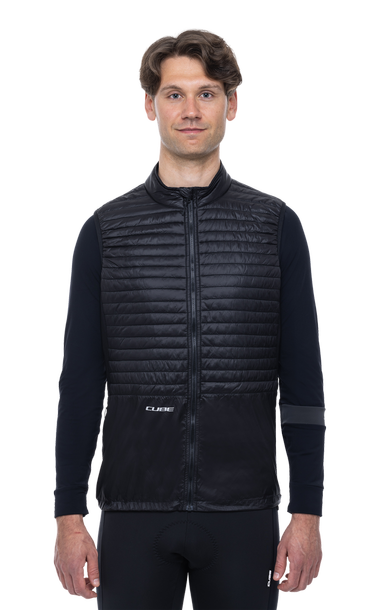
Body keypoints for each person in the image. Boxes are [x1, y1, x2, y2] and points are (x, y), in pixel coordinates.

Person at [54, 28, 325, 610]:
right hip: (133, 512)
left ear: (231, 104)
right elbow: (79, 385)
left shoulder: (275, 228)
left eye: (207, 93)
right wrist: (69, 516)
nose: (191, 110)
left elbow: (304, 385)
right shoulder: (106, 232)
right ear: (150, 106)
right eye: (174, 94)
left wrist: (307, 512)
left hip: (244, 511)